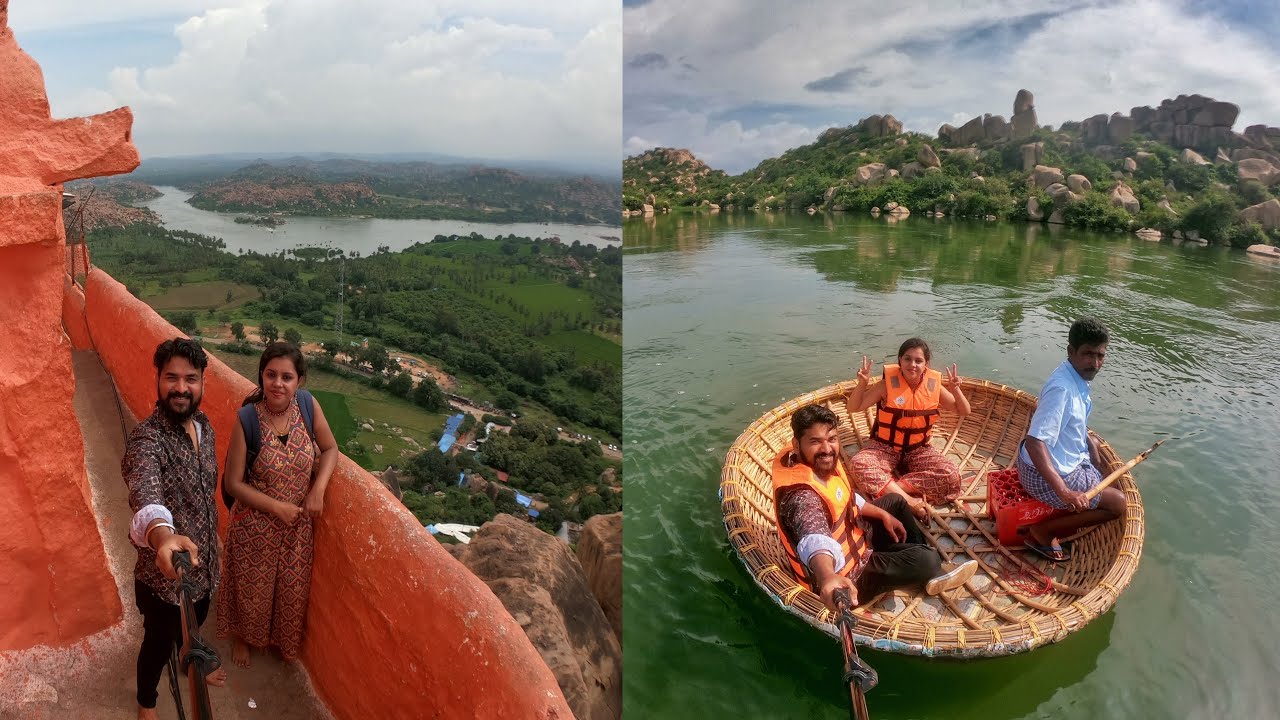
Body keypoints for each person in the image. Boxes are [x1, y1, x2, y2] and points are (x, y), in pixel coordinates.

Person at [773, 404, 977, 612]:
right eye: (815, 441)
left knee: (895, 502)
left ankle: (916, 561)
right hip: (849, 577)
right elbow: (814, 539)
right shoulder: (801, 497)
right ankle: (927, 568)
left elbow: (846, 497)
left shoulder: (820, 464)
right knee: (929, 560)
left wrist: (882, 514)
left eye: (832, 439)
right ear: (796, 445)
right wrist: (827, 577)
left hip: (857, 537)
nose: (826, 449)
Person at [122, 338, 227, 720]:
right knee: (157, 644)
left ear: (202, 383)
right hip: (163, 581)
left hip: (204, 569)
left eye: (190, 379)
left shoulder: (204, 426)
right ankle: (146, 703)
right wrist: (163, 536)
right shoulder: (147, 439)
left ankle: (191, 658)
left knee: (194, 625)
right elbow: (146, 492)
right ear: (158, 379)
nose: (181, 388)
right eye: (171, 377)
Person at [218, 341, 338, 667]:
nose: (278, 384)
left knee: (290, 592)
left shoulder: (308, 407)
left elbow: (330, 449)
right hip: (255, 526)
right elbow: (233, 484)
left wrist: (318, 490)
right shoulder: (248, 419)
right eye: (271, 375)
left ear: (299, 380)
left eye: (287, 377)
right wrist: (275, 507)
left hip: (296, 529)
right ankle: (243, 638)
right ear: (261, 375)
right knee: (252, 590)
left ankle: (277, 641)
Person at [1017, 317, 1124, 562]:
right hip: (1039, 476)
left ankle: (1061, 513)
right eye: (1088, 354)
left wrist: (1090, 443)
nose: (1095, 363)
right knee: (1118, 504)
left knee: (1098, 460)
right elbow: (1034, 442)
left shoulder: (1074, 377)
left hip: (1053, 462)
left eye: (1100, 356)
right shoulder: (1062, 388)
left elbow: (1073, 420)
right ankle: (1044, 531)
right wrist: (1065, 492)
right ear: (1071, 351)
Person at [844, 338, 971, 521]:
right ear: (900, 360)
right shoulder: (886, 385)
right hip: (885, 448)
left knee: (951, 475)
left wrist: (956, 389)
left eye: (918, 361)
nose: (912, 365)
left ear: (926, 364)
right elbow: (854, 407)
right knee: (859, 464)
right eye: (907, 359)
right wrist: (862, 384)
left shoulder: (934, 386)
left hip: (918, 450)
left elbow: (964, 411)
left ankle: (891, 488)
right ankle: (909, 501)